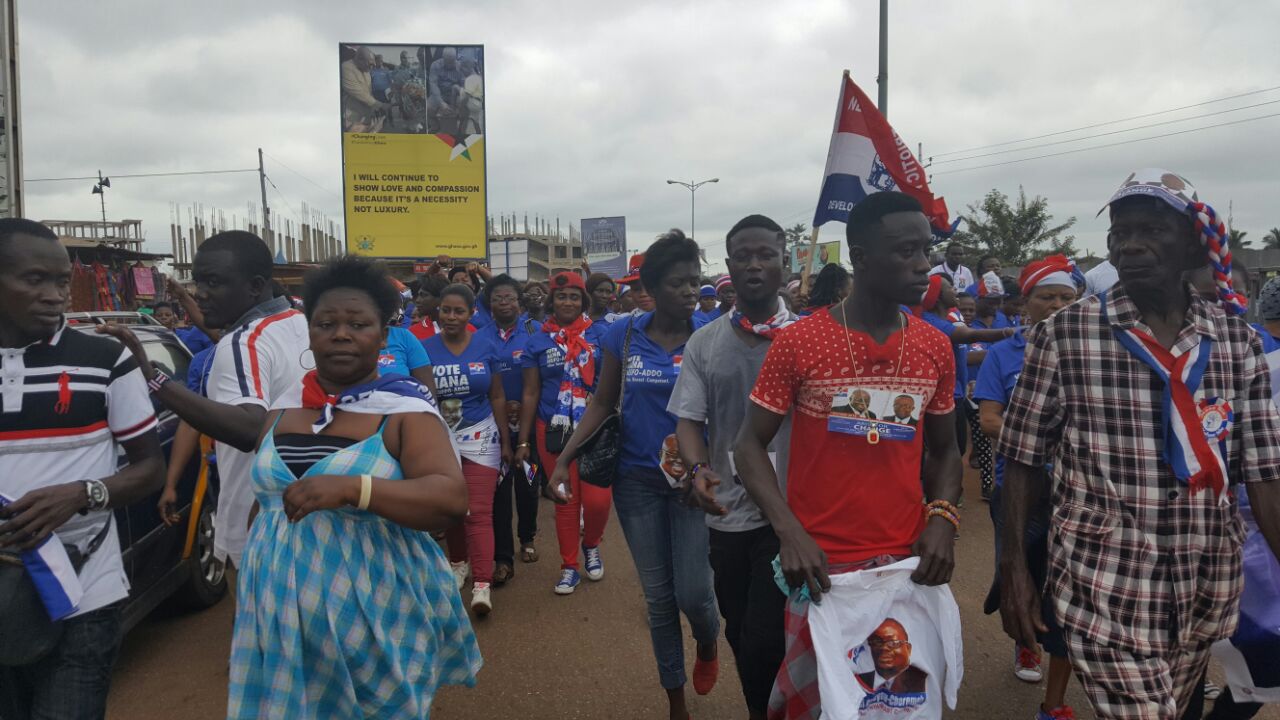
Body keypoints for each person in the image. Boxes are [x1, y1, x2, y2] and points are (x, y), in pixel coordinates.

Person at [997, 168, 1280, 719]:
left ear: (1196, 243)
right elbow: (1023, 458)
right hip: (1104, 576)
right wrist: (1014, 572)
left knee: (1174, 709)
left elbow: (1264, 473)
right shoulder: (1065, 335)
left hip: (1207, 579)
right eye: (1121, 233)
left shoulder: (1237, 342)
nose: (1131, 245)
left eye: (1152, 230)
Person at [734, 191, 963, 718]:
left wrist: (943, 519)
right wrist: (790, 533)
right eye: (904, 251)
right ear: (859, 257)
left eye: (925, 250)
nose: (922, 265)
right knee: (818, 706)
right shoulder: (800, 342)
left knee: (892, 702)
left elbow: (948, 451)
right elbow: (747, 446)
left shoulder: (934, 347)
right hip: (820, 569)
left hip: (905, 566)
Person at [226, 255, 481, 717]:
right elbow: (268, 500)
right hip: (279, 611)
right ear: (310, 333)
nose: (340, 333)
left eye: (358, 324)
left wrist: (354, 490)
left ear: (383, 335)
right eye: (326, 323)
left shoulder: (404, 412)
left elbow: (450, 499)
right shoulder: (282, 410)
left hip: (373, 612)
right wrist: (252, 571)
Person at [550, 231, 719, 720]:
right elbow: (602, 402)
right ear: (650, 286)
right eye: (678, 283)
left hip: (694, 484)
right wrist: (565, 459)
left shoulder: (709, 334)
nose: (690, 291)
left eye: (695, 281)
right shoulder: (622, 336)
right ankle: (676, 699)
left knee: (693, 592)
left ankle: (708, 643)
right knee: (660, 598)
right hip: (636, 482)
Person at [0, 219, 164, 719]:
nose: (55, 296)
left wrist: (83, 493)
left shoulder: (106, 358)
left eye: (62, 282)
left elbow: (149, 468)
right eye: (34, 281)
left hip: (83, 593)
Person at [109, 232, 312, 570]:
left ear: (254, 285)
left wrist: (156, 379)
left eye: (214, 283)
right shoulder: (301, 324)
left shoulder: (244, 344)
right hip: (307, 513)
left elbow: (249, 429)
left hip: (259, 522)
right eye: (199, 281)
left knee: (251, 621)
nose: (200, 293)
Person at [669, 214, 796, 720]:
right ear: (728, 266)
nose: (754, 264)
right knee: (740, 629)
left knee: (767, 636)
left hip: (789, 511)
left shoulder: (809, 338)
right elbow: (688, 420)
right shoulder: (705, 342)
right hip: (727, 510)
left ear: (785, 263)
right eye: (742, 256)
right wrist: (696, 469)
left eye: (765, 254)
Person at [975, 255, 1081, 720]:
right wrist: (1042, 439)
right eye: (1047, 297)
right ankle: (1024, 643)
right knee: (1020, 571)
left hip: (1079, 489)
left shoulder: (1092, 349)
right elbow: (988, 418)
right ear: (1025, 304)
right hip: (1017, 486)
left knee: (1070, 584)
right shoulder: (1005, 353)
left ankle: (1055, 695)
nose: (1057, 305)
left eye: (1067, 297)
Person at [515, 272, 611, 594]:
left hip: (595, 427)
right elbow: (530, 392)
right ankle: (568, 566)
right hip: (551, 427)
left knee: (598, 500)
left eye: (573, 296)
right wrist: (525, 439)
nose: (566, 302)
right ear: (552, 302)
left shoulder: (602, 335)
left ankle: (592, 544)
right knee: (565, 499)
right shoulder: (537, 341)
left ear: (583, 301)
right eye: (561, 297)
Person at [423, 283, 511, 615]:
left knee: (478, 511)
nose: (451, 316)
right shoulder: (424, 349)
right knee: (451, 509)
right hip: (440, 437)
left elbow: (498, 395)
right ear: (438, 312)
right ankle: (458, 563)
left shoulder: (487, 345)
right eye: (446, 310)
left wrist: (505, 439)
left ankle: (482, 585)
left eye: (459, 310)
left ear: (472, 313)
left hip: (480, 434)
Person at [477, 275, 542, 580]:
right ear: (489, 303)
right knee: (500, 490)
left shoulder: (536, 331)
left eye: (510, 297)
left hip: (529, 422)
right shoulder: (478, 335)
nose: (505, 303)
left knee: (528, 485)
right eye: (498, 297)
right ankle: (503, 558)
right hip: (494, 425)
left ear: (520, 301)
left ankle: (527, 537)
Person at [855, 619, 930, 694]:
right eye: (877, 642)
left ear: (908, 648)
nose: (883, 648)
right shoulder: (859, 680)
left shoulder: (923, 681)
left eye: (892, 643)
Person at [341, 46, 389, 132]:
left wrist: (375, 109)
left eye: (373, 64)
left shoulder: (366, 70)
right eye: (370, 64)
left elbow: (368, 92)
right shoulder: (346, 68)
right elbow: (359, 93)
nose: (372, 67)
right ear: (360, 59)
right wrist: (380, 105)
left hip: (365, 117)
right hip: (351, 119)